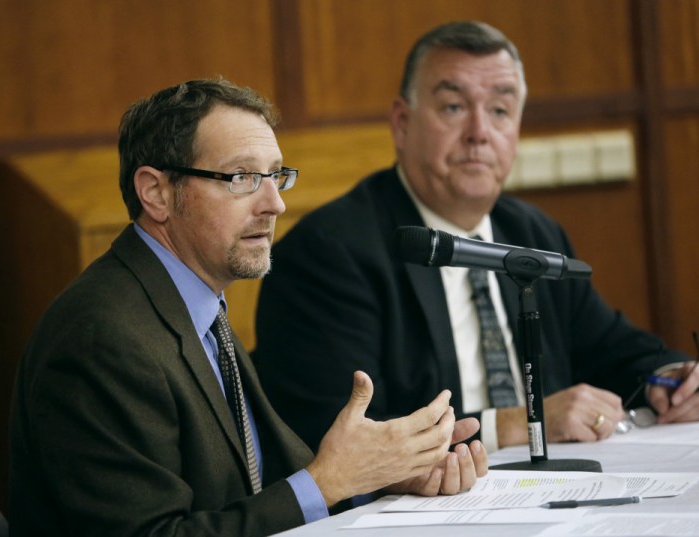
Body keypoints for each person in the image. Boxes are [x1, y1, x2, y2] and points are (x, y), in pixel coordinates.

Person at [8, 78, 489, 536]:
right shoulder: (102, 339)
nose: (274, 203)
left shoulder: (198, 309)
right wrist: (329, 482)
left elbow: (261, 488)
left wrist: (380, 477)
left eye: (276, 175)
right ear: (155, 192)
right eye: (242, 177)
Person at [253, 21, 699, 457]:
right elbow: (339, 437)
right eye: (453, 107)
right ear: (403, 123)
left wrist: (672, 376)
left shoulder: (532, 232)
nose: (479, 132)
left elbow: (613, 348)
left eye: (500, 111)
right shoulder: (331, 251)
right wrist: (515, 422)